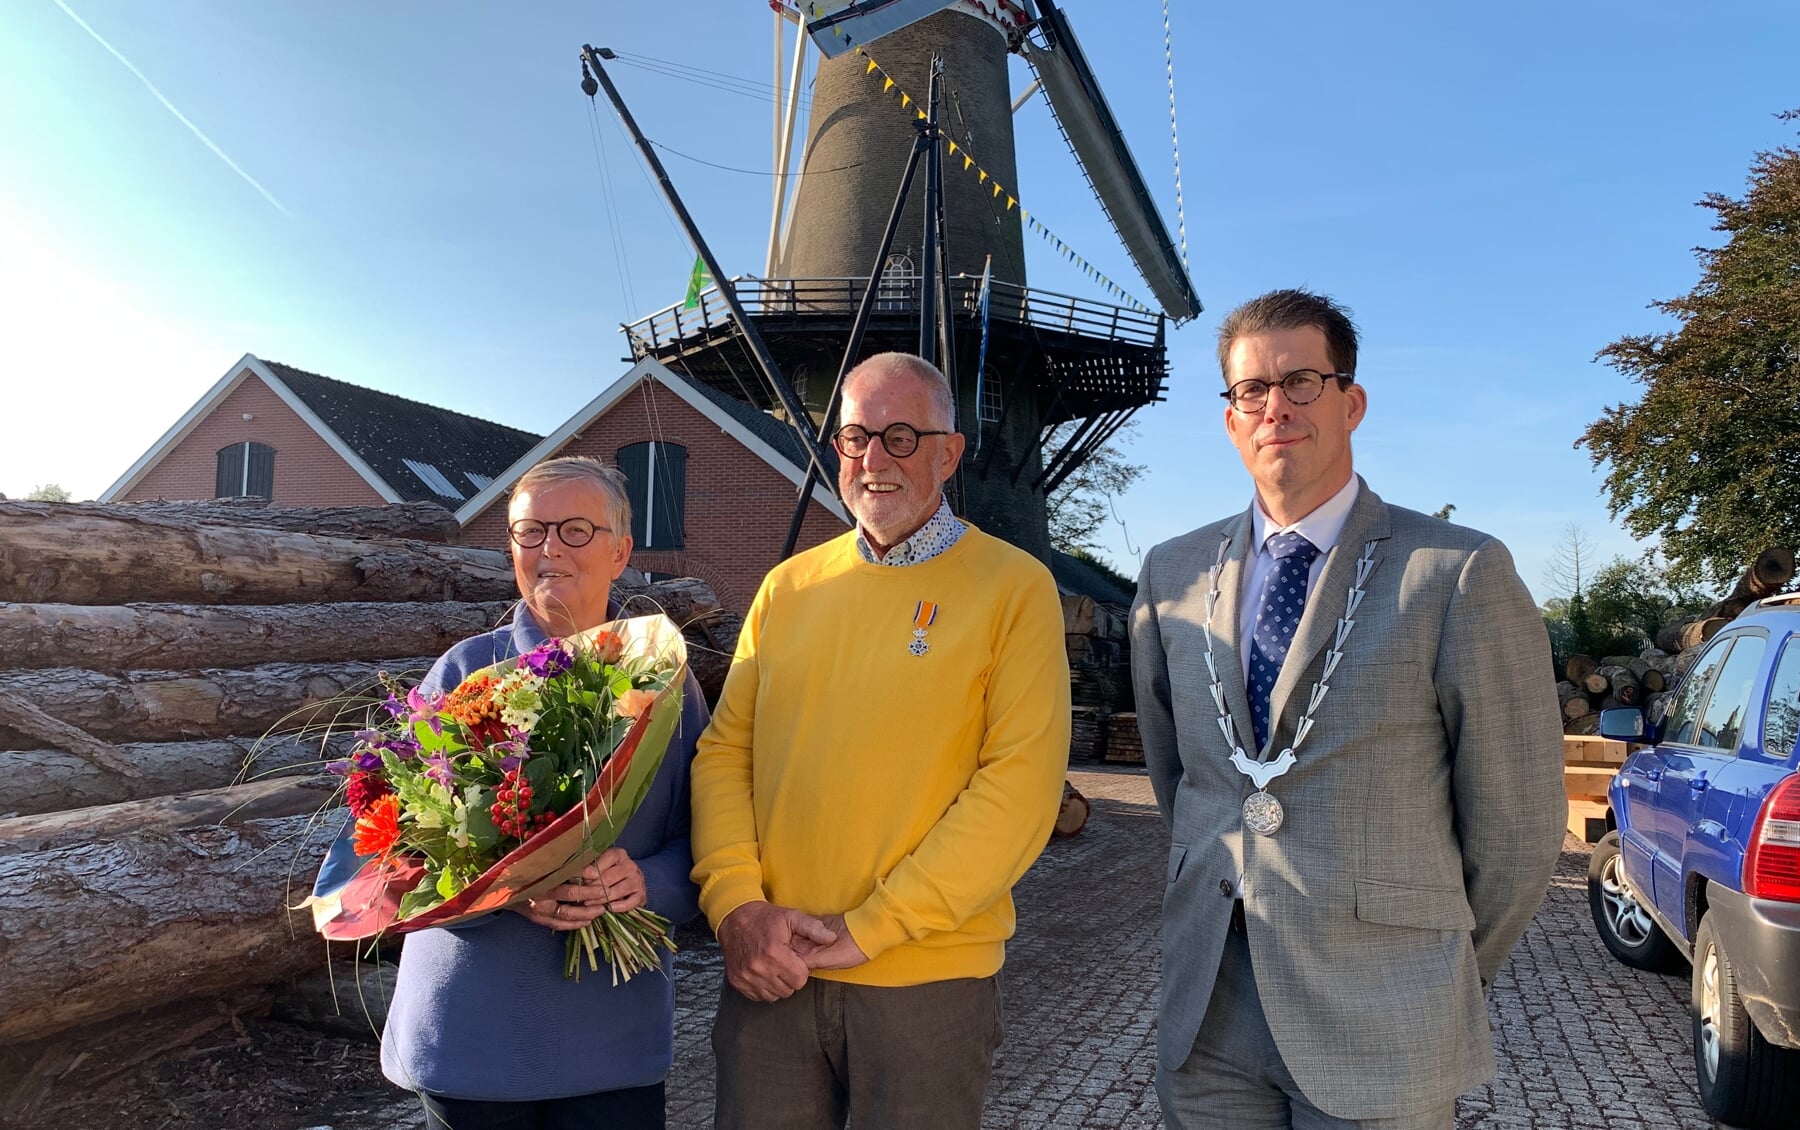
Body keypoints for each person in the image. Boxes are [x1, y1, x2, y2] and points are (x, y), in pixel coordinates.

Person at [1130, 290, 1565, 1129]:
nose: (1275, 408)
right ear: (1229, 419)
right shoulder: (1170, 571)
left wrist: (1438, 970)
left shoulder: (1455, 573)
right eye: (1251, 390)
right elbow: (1179, 772)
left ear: (1351, 401)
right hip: (1210, 1005)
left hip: (1384, 1011)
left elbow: (1516, 820)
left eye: (1301, 382)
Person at [690, 351, 1071, 1129]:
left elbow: (1019, 787)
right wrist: (736, 907)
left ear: (949, 453)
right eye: (856, 435)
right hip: (773, 973)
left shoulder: (1013, 588)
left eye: (902, 436)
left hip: (923, 984)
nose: (873, 458)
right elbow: (726, 754)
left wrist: (872, 930)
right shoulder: (787, 587)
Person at [313, 456, 708, 1130]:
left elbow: (704, 842)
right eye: (531, 532)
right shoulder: (464, 672)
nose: (550, 548)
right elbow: (383, 853)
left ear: (621, 553)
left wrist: (642, 883)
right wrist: (499, 887)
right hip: (472, 1041)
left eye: (576, 530)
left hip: (612, 1045)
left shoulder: (668, 686)